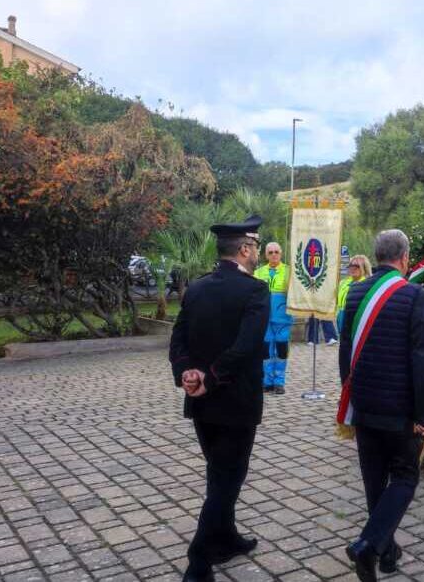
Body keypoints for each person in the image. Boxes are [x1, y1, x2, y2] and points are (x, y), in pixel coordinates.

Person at [169, 215, 270, 582]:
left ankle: (226, 537)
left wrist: (187, 373)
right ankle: (198, 560)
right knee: (227, 480)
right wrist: (209, 378)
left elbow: (177, 340)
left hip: (201, 402)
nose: (257, 253)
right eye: (255, 247)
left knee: (219, 472)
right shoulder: (255, 291)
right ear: (244, 249)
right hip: (235, 404)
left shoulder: (196, 288)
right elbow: (245, 347)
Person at [339, 230, 424, 582]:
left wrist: (350, 396)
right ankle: (369, 546)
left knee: (374, 482)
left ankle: (387, 552)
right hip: (399, 410)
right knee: (406, 477)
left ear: (376, 256)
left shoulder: (355, 291)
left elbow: (345, 351)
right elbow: (422, 358)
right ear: (405, 258)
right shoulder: (415, 295)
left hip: (363, 404)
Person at [253, 241, 294, 394]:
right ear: (266, 255)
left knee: (281, 350)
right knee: (266, 351)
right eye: (270, 252)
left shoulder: (289, 271)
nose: (274, 255)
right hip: (264, 318)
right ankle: (267, 381)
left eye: (276, 252)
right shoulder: (258, 272)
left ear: (281, 253)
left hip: (283, 317)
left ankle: (279, 382)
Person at [336, 255, 372, 330]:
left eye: (356, 266)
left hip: (357, 320)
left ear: (364, 268)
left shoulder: (367, 284)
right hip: (341, 319)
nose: (353, 268)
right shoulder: (343, 283)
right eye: (350, 265)